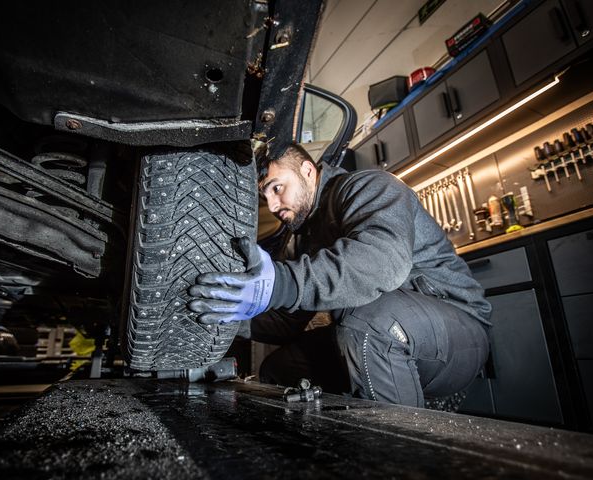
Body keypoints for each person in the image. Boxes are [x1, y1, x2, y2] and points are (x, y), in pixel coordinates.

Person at [188, 143, 492, 407]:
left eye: (277, 188)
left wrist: (283, 283)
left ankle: (398, 461)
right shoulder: (303, 235)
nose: (273, 205)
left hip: (457, 332)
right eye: (265, 196)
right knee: (281, 368)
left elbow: (382, 261)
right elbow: (289, 322)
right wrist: (231, 315)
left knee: (368, 323)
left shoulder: (370, 186)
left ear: (308, 170)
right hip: (382, 326)